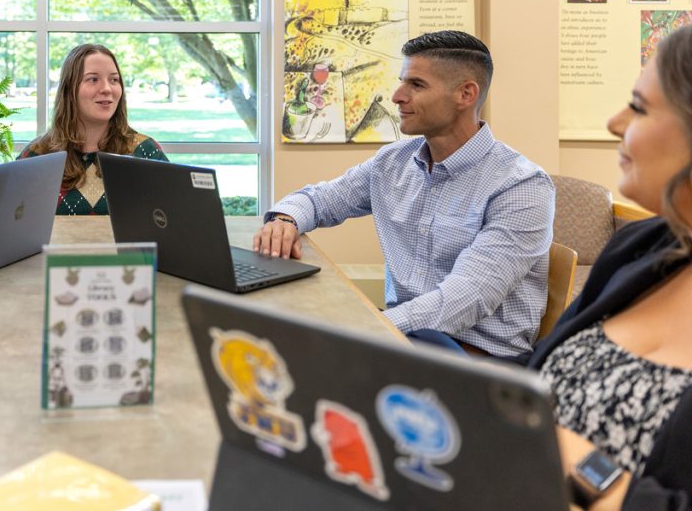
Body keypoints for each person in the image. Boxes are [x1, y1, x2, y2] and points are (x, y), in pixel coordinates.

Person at [254, 30, 555, 358]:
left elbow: (464, 300)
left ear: (466, 94)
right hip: (405, 339)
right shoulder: (392, 162)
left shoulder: (521, 186)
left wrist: (366, 326)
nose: (397, 96)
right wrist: (285, 219)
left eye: (416, 85)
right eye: (402, 82)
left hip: (480, 362)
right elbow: (322, 199)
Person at [531, 25, 692, 509]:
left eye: (639, 107)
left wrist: (586, 469)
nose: (614, 122)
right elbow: (538, 375)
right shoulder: (643, 247)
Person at [18, 44, 167, 215]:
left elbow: (174, 220)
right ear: (69, 90)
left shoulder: (146, 152)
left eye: (114, 80)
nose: (107, 88)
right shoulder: (35, 156)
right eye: (93, 79)